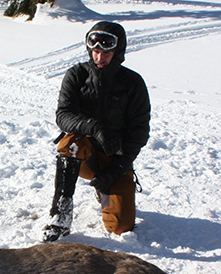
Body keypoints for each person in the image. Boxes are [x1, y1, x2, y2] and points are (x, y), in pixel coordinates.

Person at [42, 21, 151, 243]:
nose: (100, 58)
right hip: (85, 156)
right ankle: (60, 216)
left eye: (106, 53)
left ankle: (107, 189)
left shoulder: (133, 83)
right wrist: (96, 128)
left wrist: (116, 169)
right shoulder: (77, 75)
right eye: (96, 51)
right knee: (71, 141)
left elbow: (139, 133)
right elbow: (63, 116)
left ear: (118, 52)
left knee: (120, 226)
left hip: (115, 159)